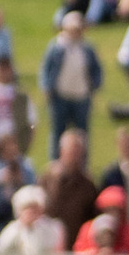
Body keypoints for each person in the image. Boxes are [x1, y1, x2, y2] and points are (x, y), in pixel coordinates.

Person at [38, 10, 102, 152]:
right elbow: (46, 68)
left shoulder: (87, 48)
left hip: (82, 95)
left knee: (82, 134)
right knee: (58, 133)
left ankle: (82, 162)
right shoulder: (56, 47)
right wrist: (46, 87)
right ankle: (56, 161)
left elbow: (96, 69)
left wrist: (96, 85)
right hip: (60, 95)